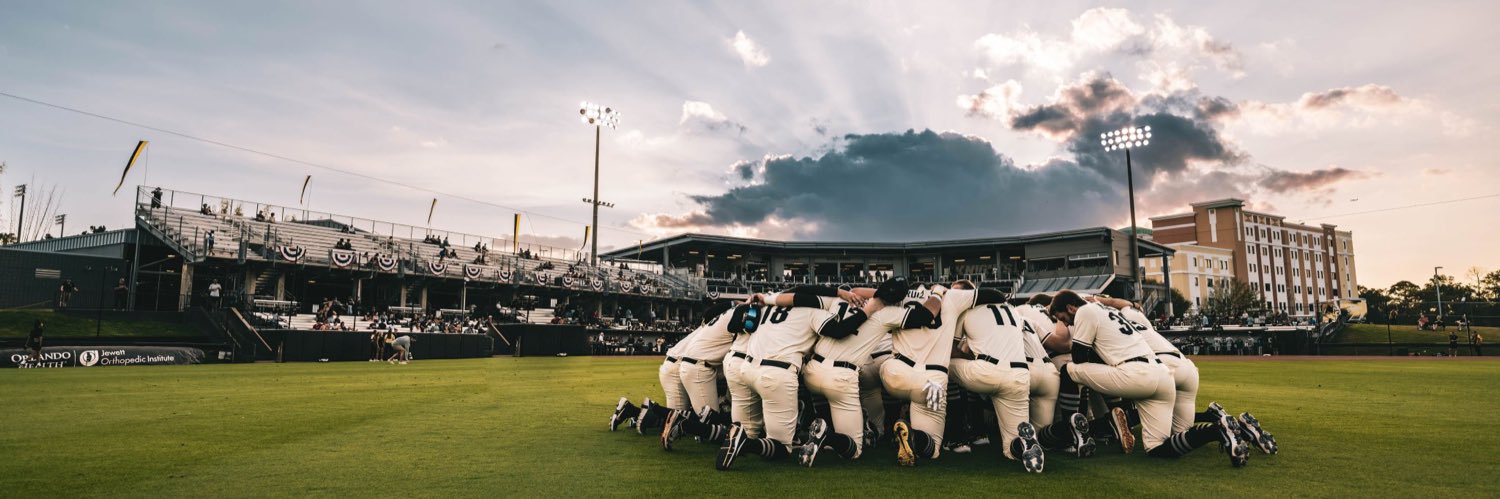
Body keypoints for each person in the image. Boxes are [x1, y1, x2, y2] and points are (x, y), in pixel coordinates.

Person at [1047, 290, 1248, 467]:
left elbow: (1079, 357)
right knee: (1159, 447)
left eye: (1063, 318)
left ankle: (1068, 433)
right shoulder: (1109, 311)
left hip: (1136, 374)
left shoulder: (1085, 311)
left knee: (1068, 370)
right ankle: (1217, 430)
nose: (1065, 323)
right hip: (1162, 374)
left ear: (1071, 308)